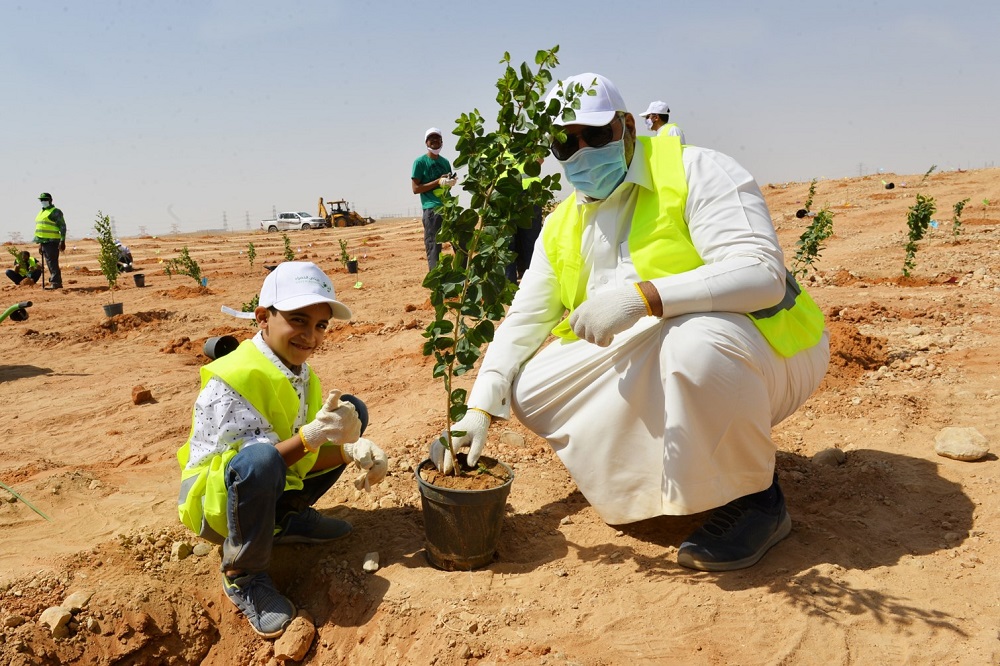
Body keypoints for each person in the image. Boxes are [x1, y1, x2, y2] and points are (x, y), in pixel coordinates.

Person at [429, 73, 829, 572]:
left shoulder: (697, 169)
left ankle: (756, 501)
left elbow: (761, 273)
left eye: (594, 135)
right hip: (665, 351)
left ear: (628, 126)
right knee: (532, 385)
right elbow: (524, 320)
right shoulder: (561, 223)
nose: (580, 151)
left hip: (769, 351)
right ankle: (655, 481)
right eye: (564, 142)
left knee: (693, 343)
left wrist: (645, 297)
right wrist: (480, 408)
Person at [176, 261, 389, 638]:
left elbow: (296, 455)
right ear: (263, 318)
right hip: (218, 507)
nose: (311, 335)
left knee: (351, 412)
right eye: (298, 320)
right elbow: (256, 465)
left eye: (321, 325)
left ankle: (288, 517)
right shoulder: (237, 378)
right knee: (262, 460)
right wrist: (314, 436)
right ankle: (243, 574)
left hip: (265, 483)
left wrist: (347, 451)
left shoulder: (300, 372)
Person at [411, 128, 457, 270]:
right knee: (433, 247)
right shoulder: (420, 162)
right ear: (426, 142)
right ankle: (437, 284)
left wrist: (450, 183)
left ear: (442, 141)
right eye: (432, 139)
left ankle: (463, 280)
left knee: (460, 244)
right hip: (432, 210)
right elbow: (415, 189)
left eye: (437, 138)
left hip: (448, 207)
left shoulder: (445, 162)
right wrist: (437, 182)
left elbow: (445, 186)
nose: (435, 141)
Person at [505, 157, 545, 284]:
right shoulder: (526, 145)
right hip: (509, 197)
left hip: (528, 194)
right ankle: (529, 282)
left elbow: (540, 159)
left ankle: (525, 282)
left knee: (526, 242)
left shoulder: (527, 144)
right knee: (513, 243)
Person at [33, 192, 66, 289]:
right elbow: (42, 228)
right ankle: (55, 281)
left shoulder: (55, 211)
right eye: (42, 200)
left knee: (52, 262)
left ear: (51, 200)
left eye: (45, 199)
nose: (43, 201)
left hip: (52, 241)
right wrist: (40, 243)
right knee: (49, 262)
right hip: (45, 242)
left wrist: (62, 241)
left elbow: (62, 226)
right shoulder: (41, 212)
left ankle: (56, 282)